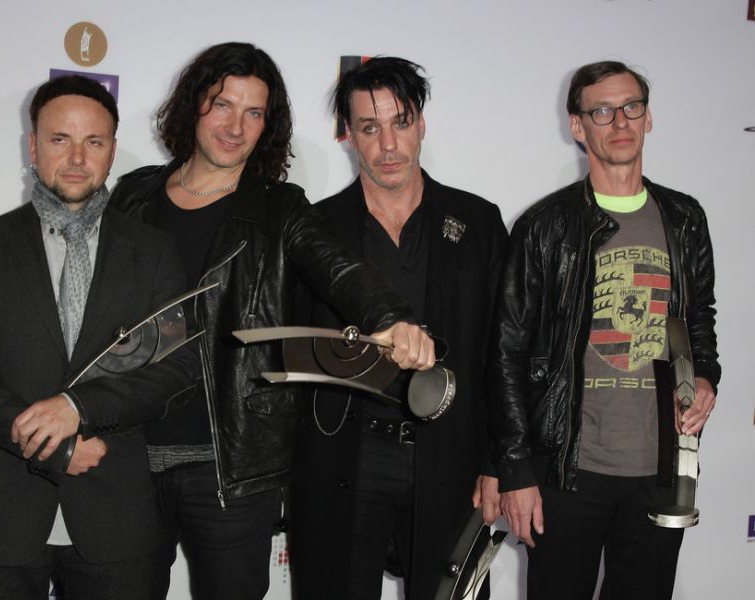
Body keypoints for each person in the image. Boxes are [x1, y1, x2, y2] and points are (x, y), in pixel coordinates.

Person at [108, 42, 434, 600]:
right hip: (128, 456)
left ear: (268, 125)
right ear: (194, 105)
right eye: (223, 105)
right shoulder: (134, 195)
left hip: (233, 468)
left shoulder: (279, 206)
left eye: (253, 112)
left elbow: (338, 268)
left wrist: (390, 318)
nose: (235, 126)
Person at [0, 75, 197, 599]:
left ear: (112, 151)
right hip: (0, 514)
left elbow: (176, 369)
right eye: (60, 139)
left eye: (93, 141)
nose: (77, 157)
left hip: (119, 517)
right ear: (33, 147)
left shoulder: (155, 252)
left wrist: (78, 408)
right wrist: (55, 449)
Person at [486, 60, 721, 599]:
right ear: (577, 125)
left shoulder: (685, 218)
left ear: (648, 117)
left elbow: (699, 322)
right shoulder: (544, 226)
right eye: (602, 111)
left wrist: (706, 376)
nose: (620, 122)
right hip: (568, 468)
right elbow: (507, 353)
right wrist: (517, 470)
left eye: (631, 107)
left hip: (662, 468)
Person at [289, 56, 507, 600]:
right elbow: (291, 352)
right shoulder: (316, 228)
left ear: (421, 124)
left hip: (451, 459)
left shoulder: (478, 222)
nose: (388, 145)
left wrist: (498, 462)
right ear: (347, 134)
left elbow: (502, 354)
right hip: (344, 457)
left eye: (400, 122)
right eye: (369, 127)